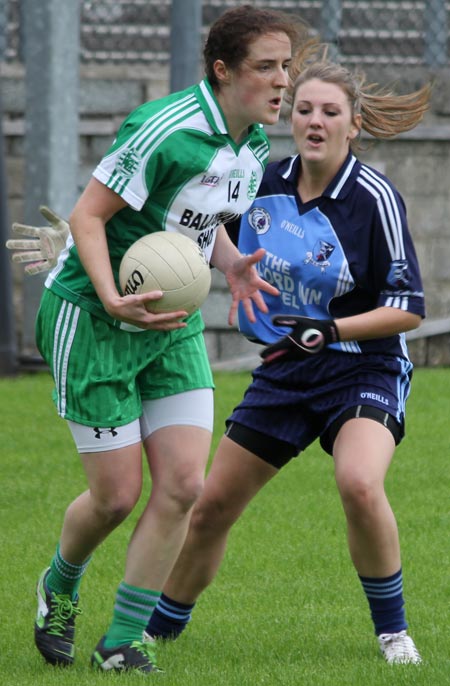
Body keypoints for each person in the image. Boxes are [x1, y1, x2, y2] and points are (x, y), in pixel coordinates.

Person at [7, 5, 307, 675]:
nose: (282, 81)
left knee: (181, 485)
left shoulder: (253, 144)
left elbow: (199, 222)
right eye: (267, 67)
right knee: (115, 496)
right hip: (93, 317)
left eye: (286, 66)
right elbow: (88, 217)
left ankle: (121, 642)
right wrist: (113, 297)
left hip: (172, 322)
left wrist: (228, 263)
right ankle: (59, 585)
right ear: (223, 71)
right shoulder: (166, 129)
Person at [141, 45, 430, 664]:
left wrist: (329, 327)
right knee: (212, 505)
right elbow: (192, 220)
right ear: (290, 118)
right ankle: (154, 636)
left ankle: (394, 634)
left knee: (357, 481)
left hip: (366, 365)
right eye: (304, 110)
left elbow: (409, 308)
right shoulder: (261, 181)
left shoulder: (374, 199)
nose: (315, 121)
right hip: (288, 367)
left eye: (330, 111)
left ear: (353, 124)